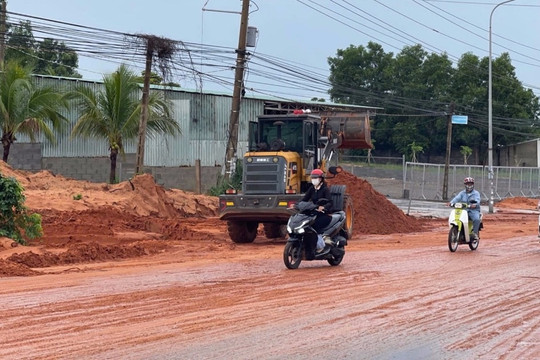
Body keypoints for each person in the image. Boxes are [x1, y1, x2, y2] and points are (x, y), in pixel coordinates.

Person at [301, 168, 334, 250]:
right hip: (314, 212)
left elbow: (330, 202)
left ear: (321, 179)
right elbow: (304, 199)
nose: (314, 180)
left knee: (314, 225)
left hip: (324, 214)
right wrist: (297, 205)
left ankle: (320, 245)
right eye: (312, 178)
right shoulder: (312, 189)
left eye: (316, 178)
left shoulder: (325, 189)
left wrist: (324, 207)